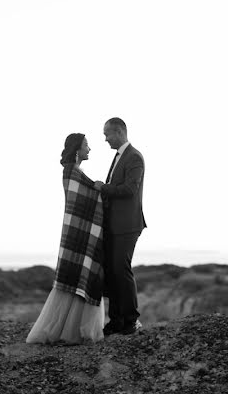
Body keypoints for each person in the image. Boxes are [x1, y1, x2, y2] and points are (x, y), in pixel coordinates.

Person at [26, 133, 105, 345]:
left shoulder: (77, 172)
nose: (89, 149)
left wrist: (99, 187)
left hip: (77, 229)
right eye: (87, 146)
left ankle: (71, 328)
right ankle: (66, 329)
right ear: (77, 149)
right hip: (75, 230)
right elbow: (87, 195)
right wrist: (101, 188)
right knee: (73, 274)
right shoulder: (71, 171)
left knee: (80, 273)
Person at [95, 117, 146, 336]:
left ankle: (131, 320)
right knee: (113, 273)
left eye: (107, 134)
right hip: (114, 224)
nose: (105, 139)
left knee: (121, 271)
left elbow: (129, 190)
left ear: (119, 132)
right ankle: (116, 321)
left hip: (127, 224)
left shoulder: (134, 157)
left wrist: (103, 188)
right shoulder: (120, 157)